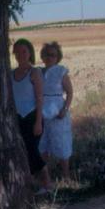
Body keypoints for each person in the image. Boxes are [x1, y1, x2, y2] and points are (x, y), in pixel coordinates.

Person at [9, 38, 52, 194]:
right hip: (17, 118)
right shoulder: (11, 74)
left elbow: (40, 98)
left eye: (24, 51)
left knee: (32, 150)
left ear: (30, 53)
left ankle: (47, 183)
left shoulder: (35, 72)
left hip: (33, 116)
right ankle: (31, 184)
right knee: (22, 151)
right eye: (18, 51)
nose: (21, 54)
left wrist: (39, 122)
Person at [39, 41, 73, 181]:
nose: (49, 57)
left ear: (57, 56)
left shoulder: (61, 71)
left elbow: (70, 93)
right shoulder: (38, 71)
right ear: (42, 56)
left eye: (52, 55)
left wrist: (64, 109)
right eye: (46, 54)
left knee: (61, 142)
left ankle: (66, 177)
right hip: (41, 113)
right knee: (42, 144)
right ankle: (45, 178)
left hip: (58, 112)